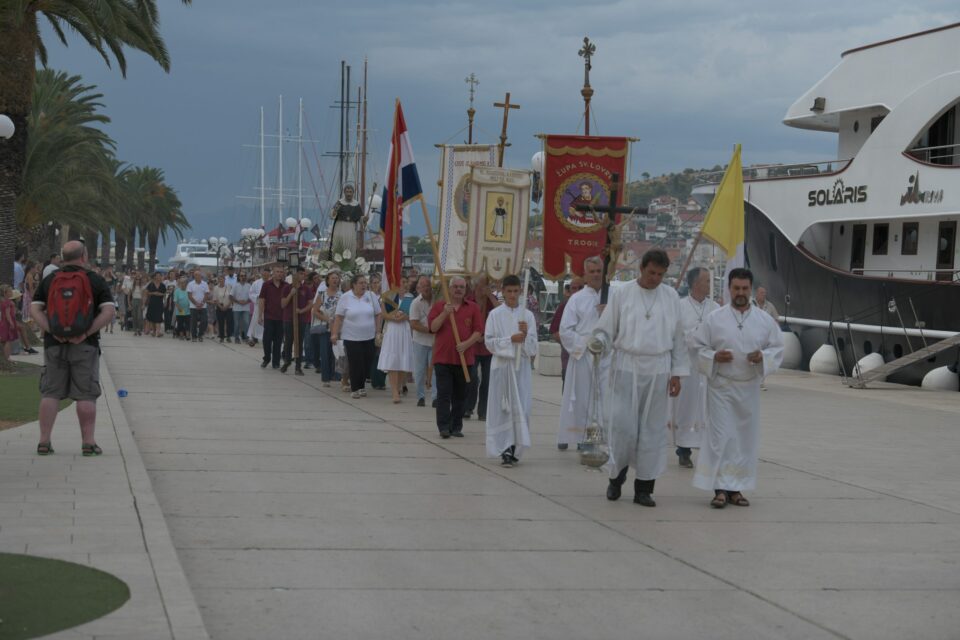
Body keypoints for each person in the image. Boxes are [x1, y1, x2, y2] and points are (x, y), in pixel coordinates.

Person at [590, 249, 689, 507]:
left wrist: (678, 373)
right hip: (626, 367)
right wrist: (599, 342)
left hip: (658, 369)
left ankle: (644, 488)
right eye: (651, 272)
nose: (655, 278)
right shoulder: (622, 294)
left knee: (652, 432)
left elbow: (679, 338)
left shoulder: (670, 297)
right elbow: (606, 328)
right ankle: (616, 478)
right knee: (623, 428)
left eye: (660, 274)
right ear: (641, 269)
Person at [692, 268, 784, 508]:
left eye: (744, 289)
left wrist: (762, 356)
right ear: (729, 289)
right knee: (721, 437)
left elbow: (778, 348)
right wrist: (714, 356)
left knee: (744, 439)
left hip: (748, 388)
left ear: (750, 289)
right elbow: (696, 347)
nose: (740, 293)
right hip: (721, 386)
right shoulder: (715, 318)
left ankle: (737, 489)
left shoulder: (764, 321)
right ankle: (720, 489)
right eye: (736, 288)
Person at [29, 240, 115, 456]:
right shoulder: (94, 280)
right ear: (84, 256)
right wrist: (85, 333)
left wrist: (51, 330)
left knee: (50, 393)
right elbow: (108, 312)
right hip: (85, 345)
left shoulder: (50, 279)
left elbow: (34, 308)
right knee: (86, 394)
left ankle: (44, 442)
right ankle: (88, 443)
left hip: (54, 345)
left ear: (62, 257)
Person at [484, 274, 538, 467]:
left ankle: (515, 446)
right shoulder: (495, 315)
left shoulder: (528, 316)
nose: (513, 295)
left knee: (522, 408)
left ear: (520, 292)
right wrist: (510, 341)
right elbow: (489, 342)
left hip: (521, 368)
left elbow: (533, 348)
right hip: (503, 367)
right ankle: (504, 448)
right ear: (503, 292)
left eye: (516, 291)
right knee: (503, 408)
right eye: (509, 291)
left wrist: (525, 336)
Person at [670, 267, 721, 468]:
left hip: (707, 367)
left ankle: (708, 448)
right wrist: (696, 336)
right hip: (687, 366)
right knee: (686, 407)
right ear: (694, 284)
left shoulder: (715, 308)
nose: (709, 284)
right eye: (706, 281)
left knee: (707, 409)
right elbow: (677, 334)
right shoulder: (680, 307)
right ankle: (683, 450)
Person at [557, 258, 605, 451]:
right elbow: (565, 330)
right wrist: (586, 343)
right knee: (584, 400)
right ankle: (584, 439)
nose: (595, 274)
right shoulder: (576, 300)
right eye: (592, 271)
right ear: (585, 274)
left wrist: (608, 315)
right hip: (584, 357)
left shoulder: (613, 297)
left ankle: (599, 438)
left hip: (607, 357)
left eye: (599, 270)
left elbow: (624, 326)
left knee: (602, 401)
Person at [427, 276, 484, 438]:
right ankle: (444, 427)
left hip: (465, 360)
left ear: (466, 290)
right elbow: (433, 327)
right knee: (444, 394)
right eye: (455, 287)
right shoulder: (439, 306)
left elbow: (478, 331)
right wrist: (445, 313)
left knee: (460, 395)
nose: (458, 290)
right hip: (443, 359)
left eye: (462, 287)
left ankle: (456, 426)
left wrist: (466, 344)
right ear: (450, 289)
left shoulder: (472, 308)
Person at [331, 274, 381, 398]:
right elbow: (339, 317)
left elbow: (378, 314)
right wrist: (334, 333)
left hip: (369, 336)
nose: (364, 285)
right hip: (351, 336)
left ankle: (362, 385)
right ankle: (355, 388)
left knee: (367, 361)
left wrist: (378, 331)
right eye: (361, 283)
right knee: (355, 362)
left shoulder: (371, 296)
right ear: (354, 284)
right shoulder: (345, 297)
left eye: (365, 283)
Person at [464, 275, 498, 420]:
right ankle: (468, 407)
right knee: (472, 378)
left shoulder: (491, 302)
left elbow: (500, 312)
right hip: (472, 345)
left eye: (486, 285)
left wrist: (490, 296)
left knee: (487, 380)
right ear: (475, 286)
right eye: (482, 285)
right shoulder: (469, 301)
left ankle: (483, 411)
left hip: (488, 347)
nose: (483, 288)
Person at [377, 288, 413, 403]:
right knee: (393, 360)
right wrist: (394, 318)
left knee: (403, 360)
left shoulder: (410, 297)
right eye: (401, 282)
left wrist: (405, 317)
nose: (403, 285)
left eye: (405, 282)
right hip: (392, 329)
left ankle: (398, 388)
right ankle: (394, 392)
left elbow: (413, 315)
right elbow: (383, 314)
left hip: (405, 330)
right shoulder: (389, 296)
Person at [408, 275, 437, 408]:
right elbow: (413, 324)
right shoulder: (415, 303)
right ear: (418, 288)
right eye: (423, 286)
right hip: (420, 341)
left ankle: (436, 397)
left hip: (435, 341)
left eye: (428, 285)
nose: (426, 288)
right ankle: (420, 396)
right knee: (419, 371)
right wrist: (429, 330)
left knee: (436, 370)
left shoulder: (437, 300)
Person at [550, 277, 584, 387]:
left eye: (581, 287)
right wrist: (575, 346)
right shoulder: (564, 307)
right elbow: (555, 332)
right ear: (569, 291)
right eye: (574, 288)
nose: (578, 290)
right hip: (569, 360)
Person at [311, 271, 342, 386]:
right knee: (325, 352)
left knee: (338, 352)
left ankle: (337, 375)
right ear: (328, 281)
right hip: (325, 327)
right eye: (332, 278)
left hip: (338, 328)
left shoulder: (342, 295)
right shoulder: (322, 294)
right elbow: (314, 311)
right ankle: (326, 378)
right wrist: (327, 319)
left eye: (336, 278)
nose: (335, 280)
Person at [258, 266, 290, 370]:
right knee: (266, 340)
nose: (279, 274)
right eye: (277, 272)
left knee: (278, 341)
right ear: (273, 273)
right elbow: (262, 300)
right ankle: (267, 358)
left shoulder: (286, 286)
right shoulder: (266, 285)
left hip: (282, 318)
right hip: (269, 316)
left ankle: (276, 362)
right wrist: (260, 315)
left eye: (281, 272)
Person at [285, 267, 314, 375]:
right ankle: (287, 361)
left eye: (304, 274)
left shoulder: (306, 289)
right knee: (288, 342)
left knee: (299, 342)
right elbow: (283, 304)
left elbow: (311, 304)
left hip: (302, 320)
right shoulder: (287, 288)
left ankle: (298, 366)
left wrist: (301, 311)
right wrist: (290, 294)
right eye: (301, 273)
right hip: (288, 319)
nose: (303, 276)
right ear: (295, 274)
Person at [329, 184, 366, 257]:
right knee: (339, 246)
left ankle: (349, 264)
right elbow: (332, 215)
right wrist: (334, 211)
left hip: (351, 228)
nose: (349, 194)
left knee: (349, 247)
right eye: (347, 192)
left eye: (350, 192)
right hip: (340, 227)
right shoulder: (339, 203)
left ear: (353, 193)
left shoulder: (356, 204)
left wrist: (364, 219)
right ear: (344, 192)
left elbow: (360, 219)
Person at [248, 267, 269, 347]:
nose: (265, 276)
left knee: (267, 324)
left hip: (268, 307)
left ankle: (265, 339)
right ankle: (252, 338)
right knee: (255, 322)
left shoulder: (271, 283)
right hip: (258, 306)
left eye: (267, 275)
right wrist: (258, 297)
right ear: (262, 274)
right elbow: (250, 294)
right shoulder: (256, 283)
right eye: (264, 274)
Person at [186, 270, 209, 342]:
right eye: (195, 275)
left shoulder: (205, 284)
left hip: (203, 306)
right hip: (193, 306)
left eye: (198, 275)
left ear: (201, 276)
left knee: (204, 321)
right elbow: (189, 295)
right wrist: (196, 303)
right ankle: (194, 336)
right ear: (194, 276)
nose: (197, 276)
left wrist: (202, 303)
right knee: (193, 322)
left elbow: (206, 294)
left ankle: (200, 334)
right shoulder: (190, 284)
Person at [211, 274, 233, 343]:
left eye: (222, 279)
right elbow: (215, 299)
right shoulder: (216, 288)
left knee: (229, 322)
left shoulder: (229, 287)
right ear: (218, 280)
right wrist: (220, 307)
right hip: (219, 308)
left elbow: (231, 297)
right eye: (220, 279)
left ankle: (229, 336)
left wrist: (227, 306)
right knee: (221, 322)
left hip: (228, 307)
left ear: (224, 279)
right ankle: (222, 337)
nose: (221, 280)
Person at [0, 285, 19, 363]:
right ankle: (7, 357)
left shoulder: (4, 301)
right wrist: (11, 323)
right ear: (5, 293)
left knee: (5, 340)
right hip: (7, 322)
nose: (12, 293)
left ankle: (6, 357)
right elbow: (7, 314)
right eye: (10, 291)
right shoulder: (7, 302)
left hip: (4, 321)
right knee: (8, 340)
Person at [144, 272, 167, 337]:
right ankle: (154, 331)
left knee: (158, 317)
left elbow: (165, 294)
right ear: (154, 277)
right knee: (152, 318)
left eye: (160, 276)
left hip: (159, 303)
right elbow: (146, 293)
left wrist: (164, 300)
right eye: (157, 276)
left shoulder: (163, 285)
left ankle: (158, 332)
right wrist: (153, 293)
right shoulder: (151, 284)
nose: (158, 277)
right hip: (152, 303)